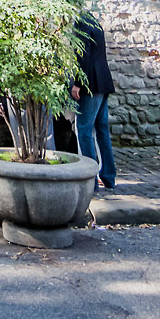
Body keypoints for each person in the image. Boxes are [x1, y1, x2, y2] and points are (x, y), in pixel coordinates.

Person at [70, 14, 117, 190]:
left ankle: (90, 178)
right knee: (102, 130)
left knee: (83, 129)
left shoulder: (81, 22)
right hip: (103, 81)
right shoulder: (92, 19)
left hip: (91, 84)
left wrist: (77, 83)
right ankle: (108, 177)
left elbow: (83, 55)